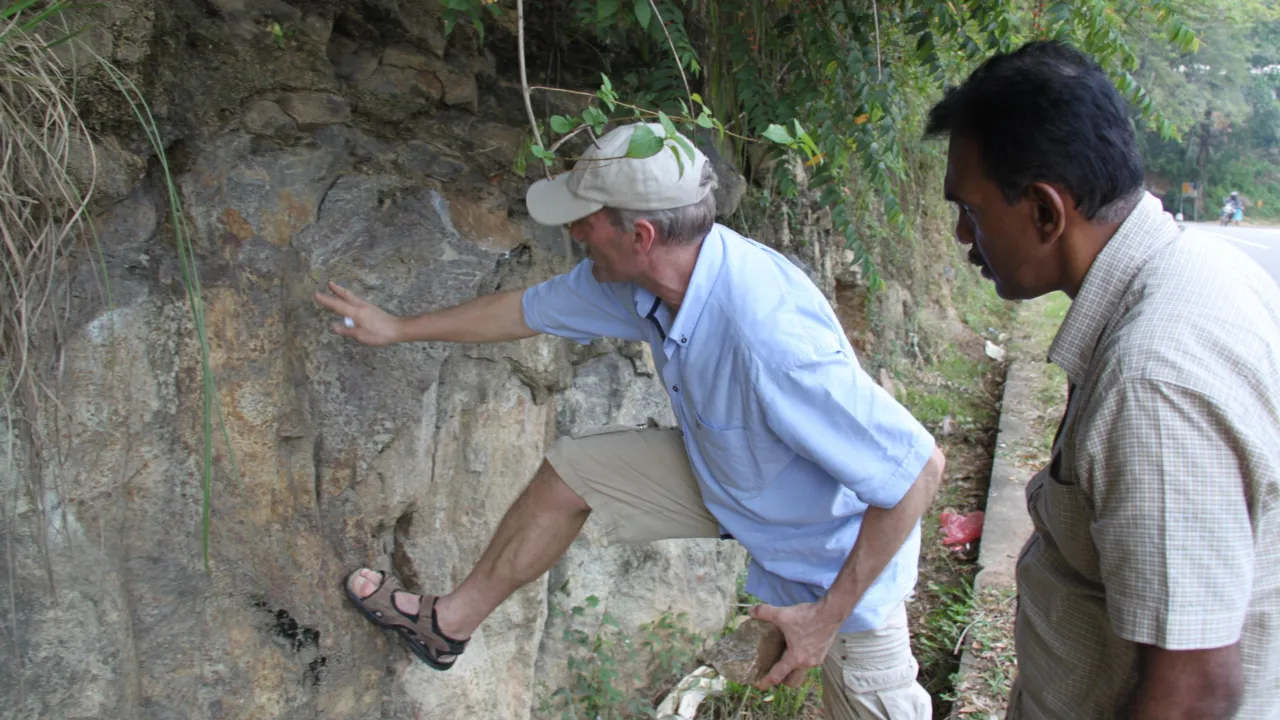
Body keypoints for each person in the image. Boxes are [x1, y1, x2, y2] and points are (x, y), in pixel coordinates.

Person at [316, 121, 946, 719]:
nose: (577, 236)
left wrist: (826, 618)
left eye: (585, 223)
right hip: (740, 480)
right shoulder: (649, 281)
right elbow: (524, 311)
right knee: (574, 473)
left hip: (839, 566)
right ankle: (446, 626)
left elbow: (917, 472)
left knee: (867, 691)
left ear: (640, 235)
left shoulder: (769, 339)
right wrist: (397, 329)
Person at [925, 40, 1280, 719]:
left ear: (1044, 212)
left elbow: (1194, 692)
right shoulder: (1197, 272)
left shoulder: (1154, 382)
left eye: (970, 211)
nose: (964, 238)